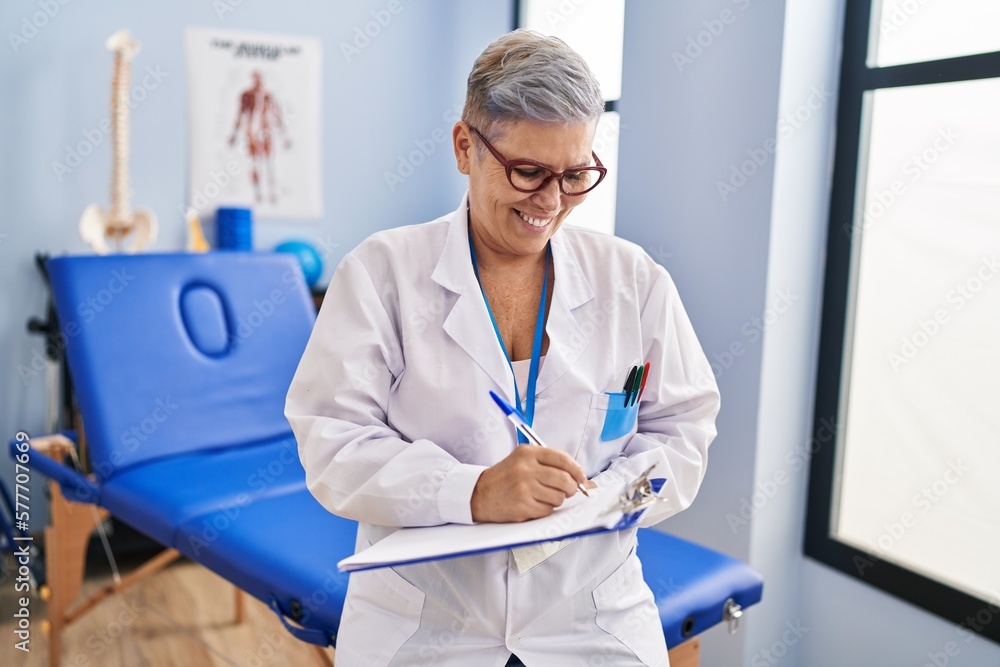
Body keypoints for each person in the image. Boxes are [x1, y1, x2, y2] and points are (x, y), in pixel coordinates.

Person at [285, 30, 719, 667]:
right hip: (427, 625)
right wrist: (471, 491)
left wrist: (610, 497)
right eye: (528, 172)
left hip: (592, 618)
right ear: (466, 147)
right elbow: (332, 444)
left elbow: (682, 429)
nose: (551, 202)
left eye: (576, 175)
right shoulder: (381, 274)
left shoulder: (633, 280)